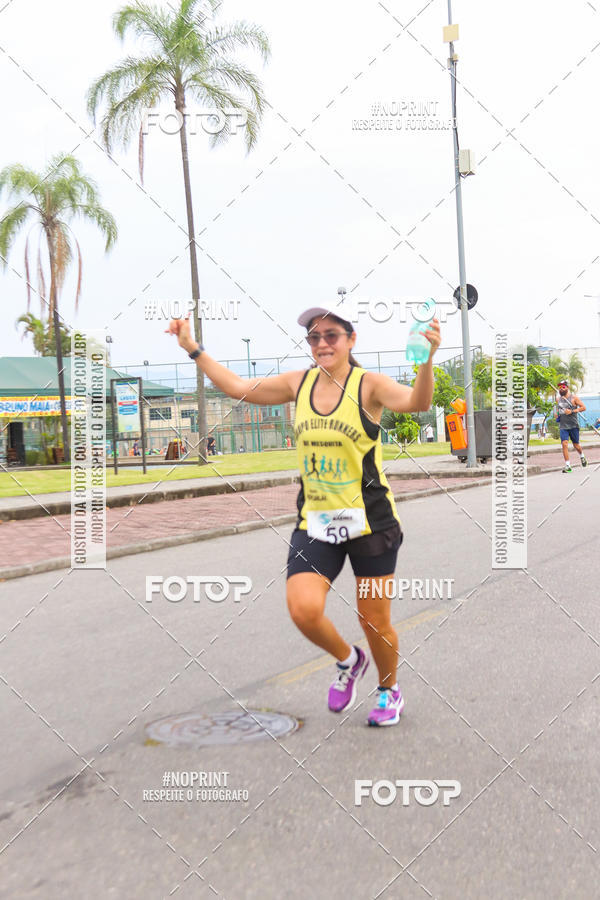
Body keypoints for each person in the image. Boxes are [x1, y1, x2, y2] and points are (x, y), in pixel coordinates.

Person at [167, 307, 440, 727]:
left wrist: (426, 363)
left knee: (374, 619)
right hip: (316, 520)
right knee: (303, 609)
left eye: (331, 335)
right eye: (314, 338)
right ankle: (350, 661)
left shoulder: (369, 386)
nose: (322, 344)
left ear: (351, 340)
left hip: (371, 521)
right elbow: (238, 387)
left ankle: (390, 690)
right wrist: (194, 349)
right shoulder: (299, 383)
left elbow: (417, 402)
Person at [555, 380, 587, 472]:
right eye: (560, 387)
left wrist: (572, 411)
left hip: (573, 425)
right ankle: (568, 465)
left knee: (576, 445)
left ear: (567, 387)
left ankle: (582, 456)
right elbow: (556, 409)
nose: (561, 388)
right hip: (563, 426)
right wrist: (556, 415)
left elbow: (583, 407)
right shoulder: (558, 399)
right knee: (564, 444)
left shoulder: (574, 398)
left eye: (563, 387)